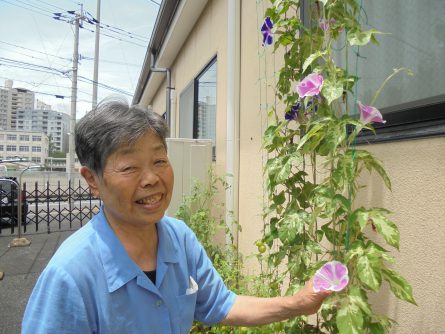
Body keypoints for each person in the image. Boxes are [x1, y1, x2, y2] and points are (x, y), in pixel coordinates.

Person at [22, 99, 331, 333]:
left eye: (159, 160)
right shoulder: (70, 276)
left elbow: (221, 304)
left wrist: (299, 303)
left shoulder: (178, 237)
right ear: (92, 179)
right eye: (130, 167)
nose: (151, 179)